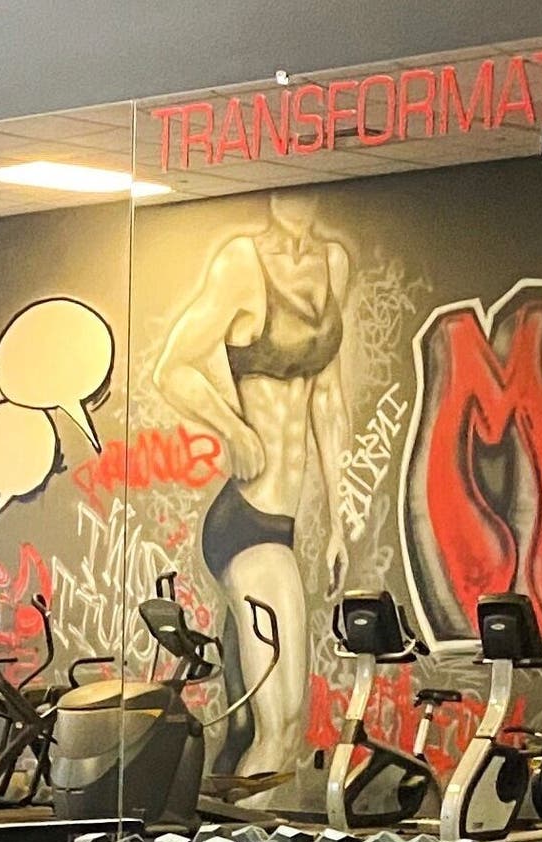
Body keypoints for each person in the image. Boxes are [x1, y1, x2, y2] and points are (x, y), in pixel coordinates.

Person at [151, 192, 353, 793]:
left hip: (284, 524)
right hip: (246, 522)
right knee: (283, 722)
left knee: (273, 726)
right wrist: (231, 427)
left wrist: (340, 519)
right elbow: (172, 367)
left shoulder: (334, 263)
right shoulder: (243, 262)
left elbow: (329, 401)